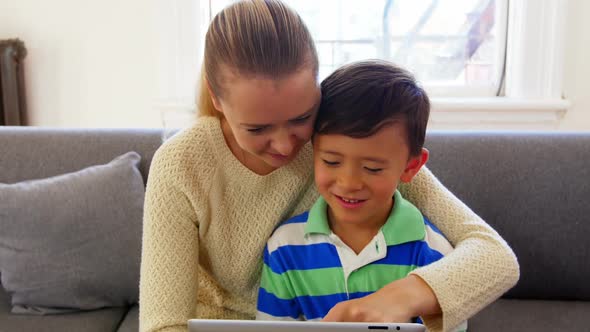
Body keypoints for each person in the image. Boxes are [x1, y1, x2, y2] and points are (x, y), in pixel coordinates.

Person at [139, 1, 519, 332]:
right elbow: (163, 324)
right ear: (217, 98)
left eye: (301, 117)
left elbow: (494, 256)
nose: (287, 145)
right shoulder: (180, 164)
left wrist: (404, 295)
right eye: (257, 128)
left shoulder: (338, 143)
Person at [255, 60, 467, 331]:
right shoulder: (284, 248)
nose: (349, 183)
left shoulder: (434, 255)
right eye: (331, 162)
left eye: (372, 168)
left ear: (411, 166)